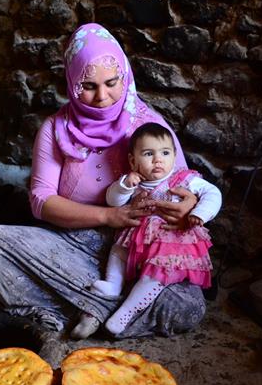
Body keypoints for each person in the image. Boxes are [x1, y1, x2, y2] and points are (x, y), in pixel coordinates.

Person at [0, 23, 207, 339]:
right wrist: (108, 216)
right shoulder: (56, 129)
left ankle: (80, 308)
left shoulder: (149, 126)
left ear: (125, 75)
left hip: (136, 246)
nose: (102, 97)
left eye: (112, 83)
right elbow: (41, 201)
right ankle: (110, 311)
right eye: (89, 86)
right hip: (71, 240)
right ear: (71, 82)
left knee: (188, 306)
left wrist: (190, 204)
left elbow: (183, 182)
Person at [89, 122, 221, 336]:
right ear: (133, 161)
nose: (158, 159)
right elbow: (112, 201)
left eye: (165, 153)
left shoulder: (184, 179)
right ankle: (113, 284)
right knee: (117, 251)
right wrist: (124, 185)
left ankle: (126, 312)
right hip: (137, 237)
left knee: (157, 273)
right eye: (148, 153)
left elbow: (213, 193)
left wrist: (200, 214)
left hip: (170, 241)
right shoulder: (135, 182)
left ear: (174, 157)